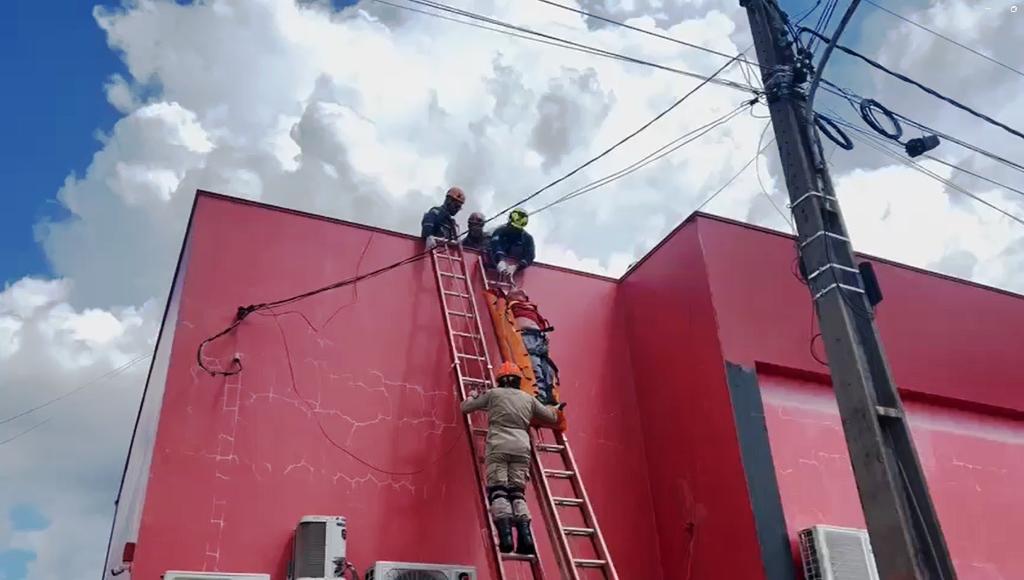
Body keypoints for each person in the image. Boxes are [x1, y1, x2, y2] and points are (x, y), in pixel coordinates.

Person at [460, 361, 560, 555]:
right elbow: (551, 417)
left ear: (500, 380)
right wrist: (553, 406)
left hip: (499, 445)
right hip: (522, 448)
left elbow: (466, 408)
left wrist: (472, 395)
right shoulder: (528, 399)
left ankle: (506, 538)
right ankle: (526, 538)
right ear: (517, 381)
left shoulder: (494, 394)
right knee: (517, 493)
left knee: (499, 492)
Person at [506, 289, 558, 405]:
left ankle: (547, 394)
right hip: (531, 336)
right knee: (538, 365)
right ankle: (542, 394)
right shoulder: (519, 307)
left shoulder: (524, 308)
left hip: (536, 337)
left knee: (543, 367)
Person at [487, 208, 535, 278]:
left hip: (516, 269)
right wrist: (501, 260)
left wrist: (516, 266)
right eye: (512, 227)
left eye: (517, 229)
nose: (514, 231)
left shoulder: (527, 238)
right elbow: (495, 245)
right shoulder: (499, 231)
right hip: (493, 265)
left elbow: (530, 256)